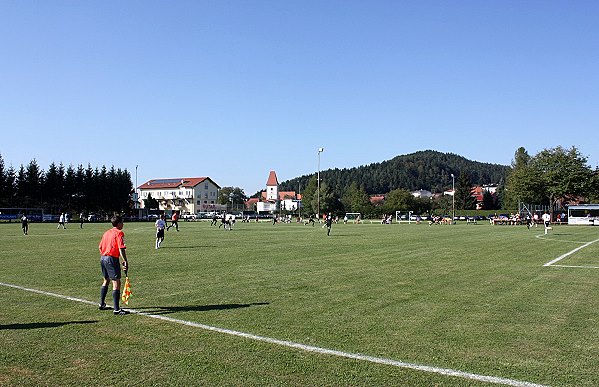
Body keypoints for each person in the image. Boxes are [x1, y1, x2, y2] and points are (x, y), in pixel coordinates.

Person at [98, 215, 129, 315]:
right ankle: (116, 309)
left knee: (106, 280)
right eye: (122, 222)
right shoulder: (119, 233)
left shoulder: (107, 232)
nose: (123, 224)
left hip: (103, 257)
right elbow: (121, 248)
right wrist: (125, 260)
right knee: (116, 282)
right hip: (111, 259)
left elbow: (100, 246)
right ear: (118, 223)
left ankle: (101, 303)